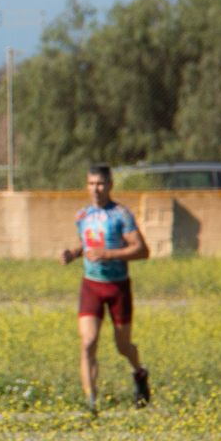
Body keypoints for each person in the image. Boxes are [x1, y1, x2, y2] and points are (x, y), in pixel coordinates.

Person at [59, 164, 151, 414]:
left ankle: (139, 373)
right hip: (91, 286)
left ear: (110, 185)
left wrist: (109, 254)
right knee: (88, 343)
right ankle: (91, 404)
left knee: (123, 346)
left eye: (100, 184)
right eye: (91, 184)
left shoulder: (122, 215)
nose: (95, 189)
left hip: (118, 287)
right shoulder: (82, 216)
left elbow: (142, 250)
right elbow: (85, 243)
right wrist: (73, 254)